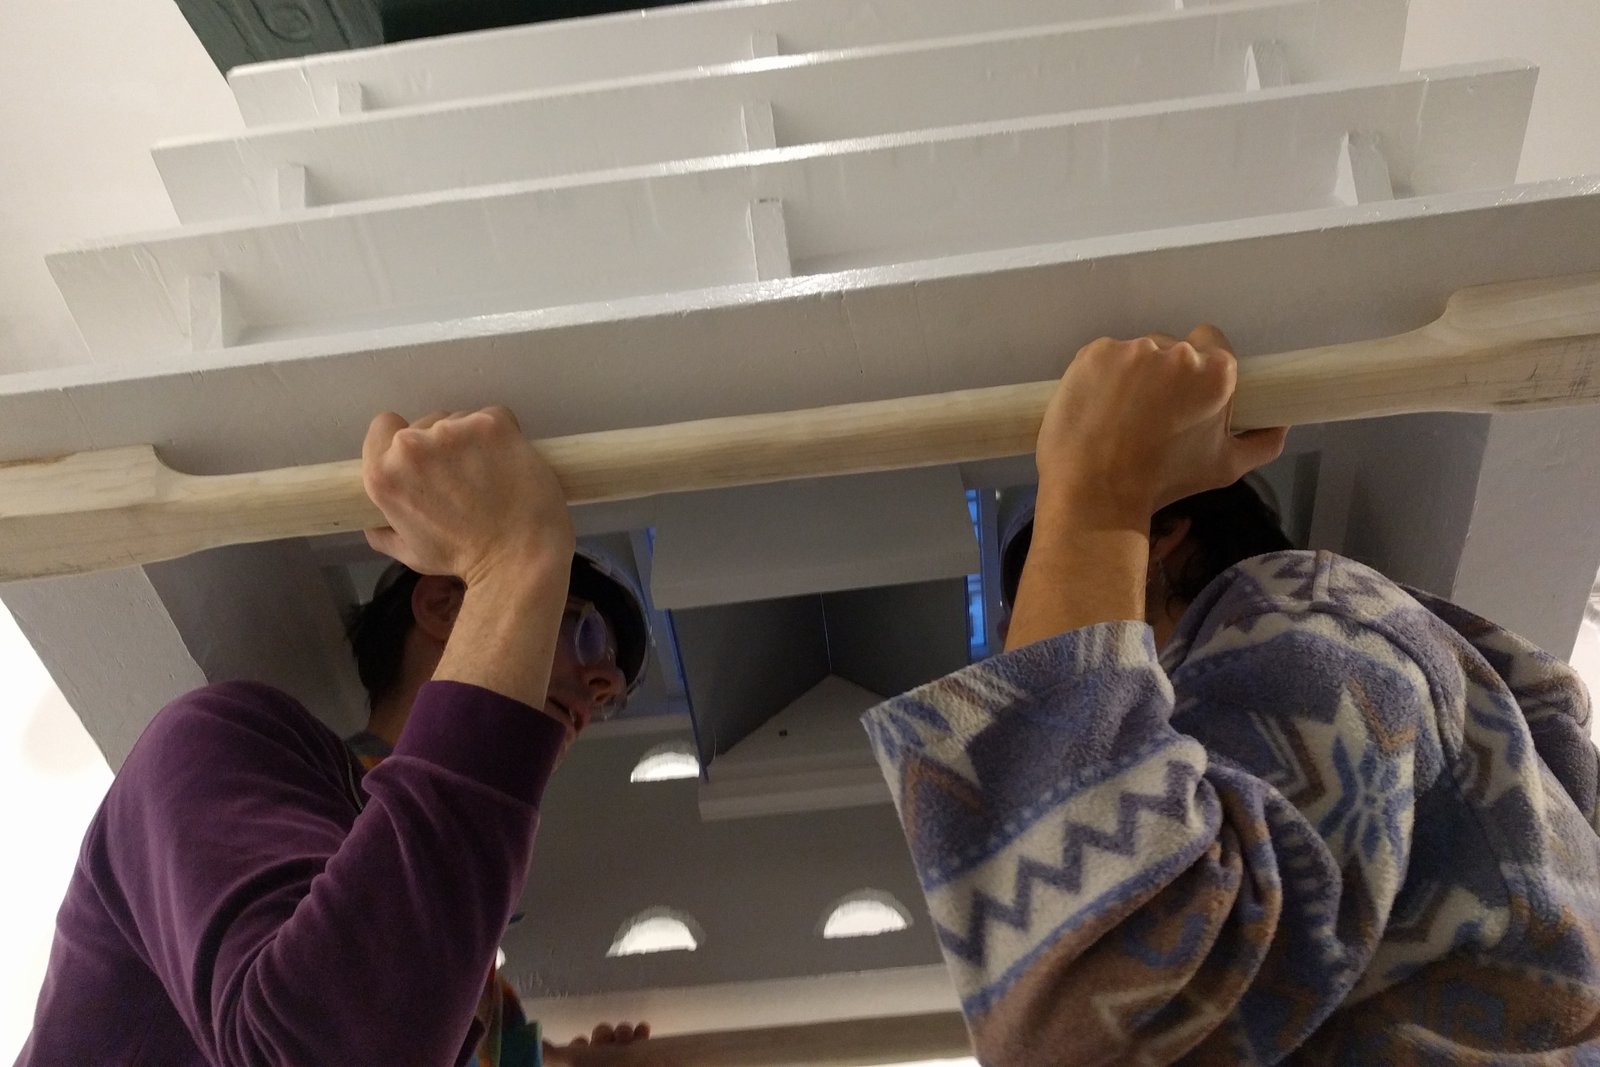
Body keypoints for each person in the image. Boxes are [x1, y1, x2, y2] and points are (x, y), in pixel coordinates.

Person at [863, 328, 1600, 1064]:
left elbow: (1083, 1018)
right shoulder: (1334, 648)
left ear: (1162, 539)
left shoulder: (1301, 615)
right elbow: (1096, 1007)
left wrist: (1095, 499)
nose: (1020, 641)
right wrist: (1097, 503)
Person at [17, 407, 654, 1067]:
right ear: (443, 603)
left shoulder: (458, 982)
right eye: (582, 632)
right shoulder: (216, 744)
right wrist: (515, 558)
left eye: (611, 684)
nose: (605, 682)